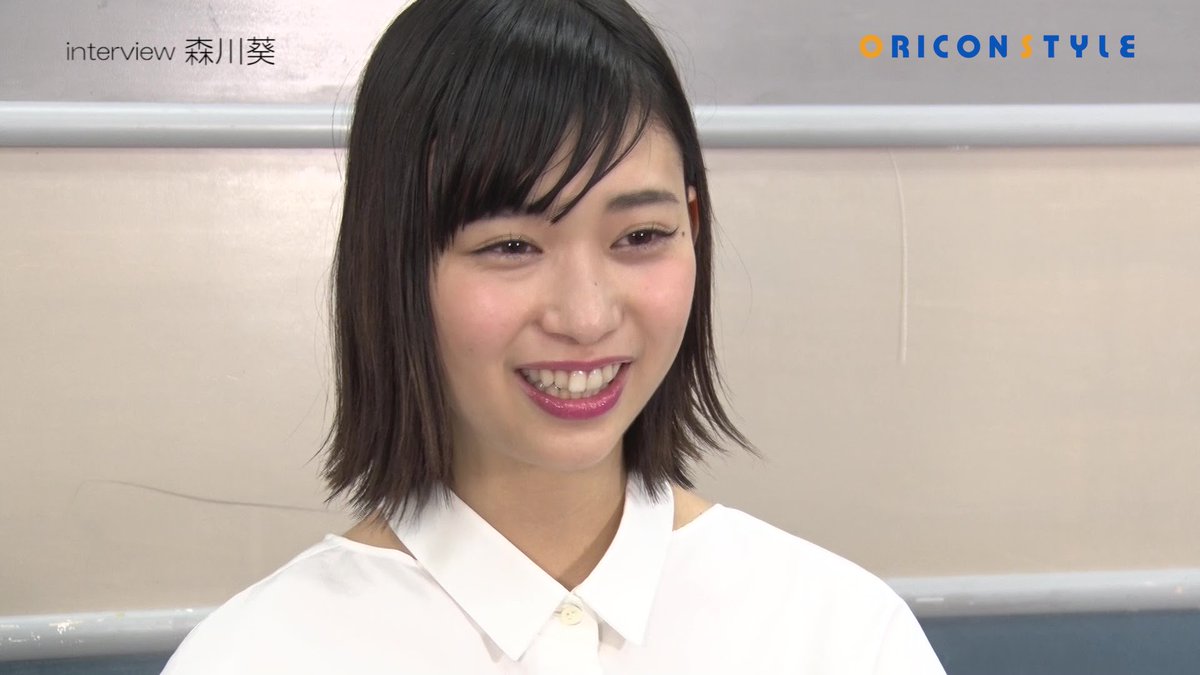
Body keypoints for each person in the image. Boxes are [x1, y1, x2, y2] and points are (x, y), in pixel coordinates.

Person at [163, 0, 946, 672]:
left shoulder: (841, 633)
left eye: (640, 236)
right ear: (393, 259)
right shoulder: (255, 654)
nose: (586, 315)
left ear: (694, 225)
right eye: (511, 245)